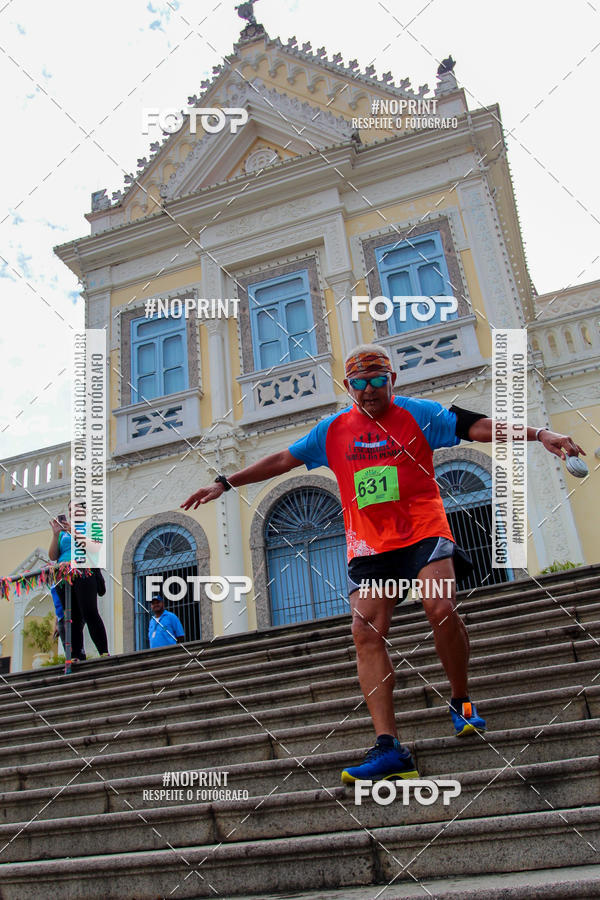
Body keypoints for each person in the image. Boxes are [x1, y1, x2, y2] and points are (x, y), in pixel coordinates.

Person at [181, 343, 585, 784]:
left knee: (439, 606)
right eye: (360, 383)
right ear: (348, 385)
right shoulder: (332, 430)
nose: (369, 390)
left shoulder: (419, 413)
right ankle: (389, 747)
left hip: (423, 530)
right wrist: (225, 482)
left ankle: (461, 700)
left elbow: (478, 426)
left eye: (378, 380)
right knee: (364, 631)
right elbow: (282, 459)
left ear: (392, 379)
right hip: (370, 544)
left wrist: (539, 434)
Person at [48, 500, 109, 661]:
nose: (71, 512)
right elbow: (53, 556)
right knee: (71, 615)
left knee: (90, 612)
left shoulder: (93, 526)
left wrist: (73, 531)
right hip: (63, 575)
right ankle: (76, 655)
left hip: (84, 571)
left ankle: (103, 651)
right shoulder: (62, 533)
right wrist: (56, 534)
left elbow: (94, 547)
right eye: (69, 509)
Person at [50, 585, 86, 660]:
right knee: (66, 645)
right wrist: (56, 623)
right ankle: (71, 659)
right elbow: (56, 603)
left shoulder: (64, 581)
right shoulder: (52, 584)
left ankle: (80, 657)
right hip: (60, 617)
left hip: (72, 614)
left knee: (75, 638)